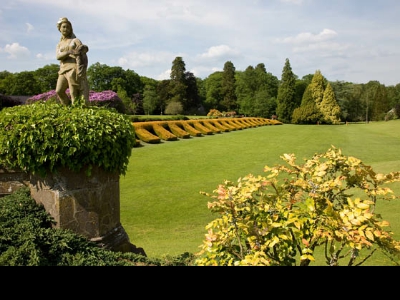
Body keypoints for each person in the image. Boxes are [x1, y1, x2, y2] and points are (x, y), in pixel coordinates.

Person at [55, 17, 89, 106]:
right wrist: (69, 52)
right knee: (59, 90)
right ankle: (68, 107)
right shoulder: (59, 44)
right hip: (62, 70)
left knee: (73, 92)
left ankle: (76, 109)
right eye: (63, 27)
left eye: (67, 27)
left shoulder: (75, 40)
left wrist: (83, 49)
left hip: (73, 68)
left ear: (70, 29)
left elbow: (84, 49)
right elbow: (58, 56)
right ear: (60, 29)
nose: (66, 29)